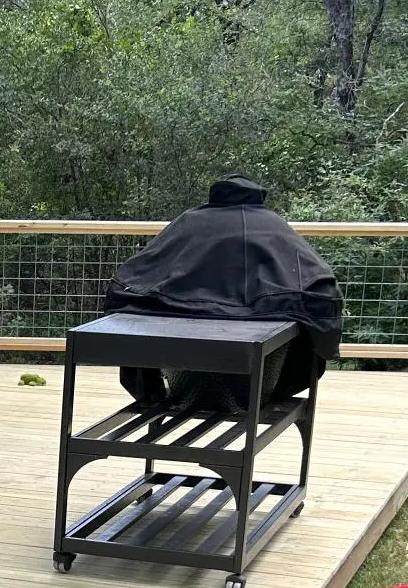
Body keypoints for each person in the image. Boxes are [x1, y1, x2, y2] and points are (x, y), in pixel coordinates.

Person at [103, 175, 343, 415]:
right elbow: (321, 287)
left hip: (184, 373)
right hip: (258, 381)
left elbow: (132, 278)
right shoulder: (274, 226)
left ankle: (159, 396)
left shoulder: (189, 222)